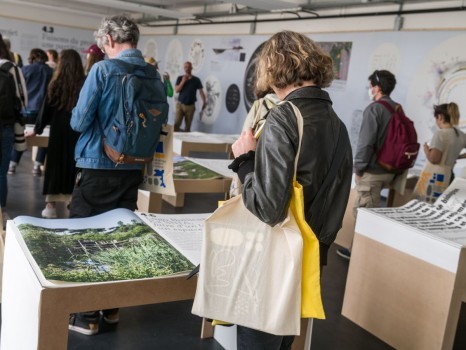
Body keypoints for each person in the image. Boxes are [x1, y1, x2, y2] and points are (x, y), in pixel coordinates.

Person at [228, 30, 352, 349]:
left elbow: (269, 208)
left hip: (272, 261)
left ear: (274, 68)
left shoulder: (283, 117)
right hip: (308, 259)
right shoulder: (337, 125)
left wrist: (245, 159)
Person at [68, 15, 166, 336]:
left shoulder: (102, 70)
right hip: (134, 166)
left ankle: (86, 315)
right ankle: (111, 309)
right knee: (117, 236)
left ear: (109, 39)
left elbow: (79, 121)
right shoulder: (153, 74)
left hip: (99, 163)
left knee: (85, 237)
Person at [337, 69, 400, 260]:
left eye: (371, 86)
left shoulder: (374, 109)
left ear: (377, 88)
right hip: (391, 169)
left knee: (364, 214)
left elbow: (366, 142)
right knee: (372, 212)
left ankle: (358, 256)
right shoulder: (397, 108)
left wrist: (358, 168)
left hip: (373, 170)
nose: (369, 89)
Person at [25, 49, 85, 219]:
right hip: (78, 133)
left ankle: (50, 206)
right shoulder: (85, 85)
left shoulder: (55, 84)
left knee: (54, 166)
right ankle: (72, 202)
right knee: (75, 167)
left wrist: (36, 129)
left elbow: (45, 111)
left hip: (58, 133)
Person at [8, 48, 53, 176]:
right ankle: (37, 167)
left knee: (21, 137)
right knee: (44, 139)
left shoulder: (26, 69)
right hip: (43, 111)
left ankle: (12, 165)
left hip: (26, 109)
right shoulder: (50, 71)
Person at [414, 103, 466, 202]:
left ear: (440, 117)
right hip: (450, 175)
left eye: (436, 118)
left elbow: (434, 159)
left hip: (435, 176)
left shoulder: (440, 134)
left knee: (424, 203)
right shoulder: (461, 135)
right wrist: (458, 156)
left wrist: (426, 150)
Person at [0, 34, 28, 216]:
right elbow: (23, 98)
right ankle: (0, 213)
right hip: (4, 125)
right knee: (1, 172)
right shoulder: (11, 67)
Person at [174, 61, 206, 132]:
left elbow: (201, 91)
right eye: (185, 67)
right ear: (184, 68)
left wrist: (204, 102)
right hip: (180, 105)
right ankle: (173, 142)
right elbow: (177, 90)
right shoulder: (180, 78)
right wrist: (183, 81)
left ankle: (185, 142)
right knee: (176, 124)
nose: (187, 69)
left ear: (191, 68)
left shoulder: (196, 80)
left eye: (188, 67)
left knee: (188, 126)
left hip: (190, 106)